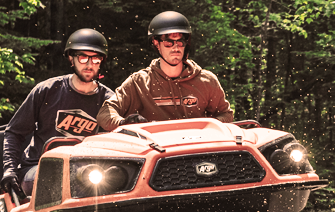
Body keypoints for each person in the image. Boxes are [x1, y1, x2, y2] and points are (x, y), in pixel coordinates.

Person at [0, 28, 114, 198]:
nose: (89, 64)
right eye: (83, 57)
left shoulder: (110, 101)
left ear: (101, 62)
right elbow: (14, 133)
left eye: (95, 59)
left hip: (88, 175)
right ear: (71, 58)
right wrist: (9, 170)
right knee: (60, 177)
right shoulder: (47, 91)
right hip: (37, 169)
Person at [97, 11, 234, 131]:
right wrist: (124, 123)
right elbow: (105, 113)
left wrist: (207, 127)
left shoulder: (206, 80)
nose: (176, 48)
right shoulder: (139, 82)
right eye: (169, 42)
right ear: (156, 44)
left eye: (180, 42)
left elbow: (226, 115)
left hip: (197, 151)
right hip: (156, 152)